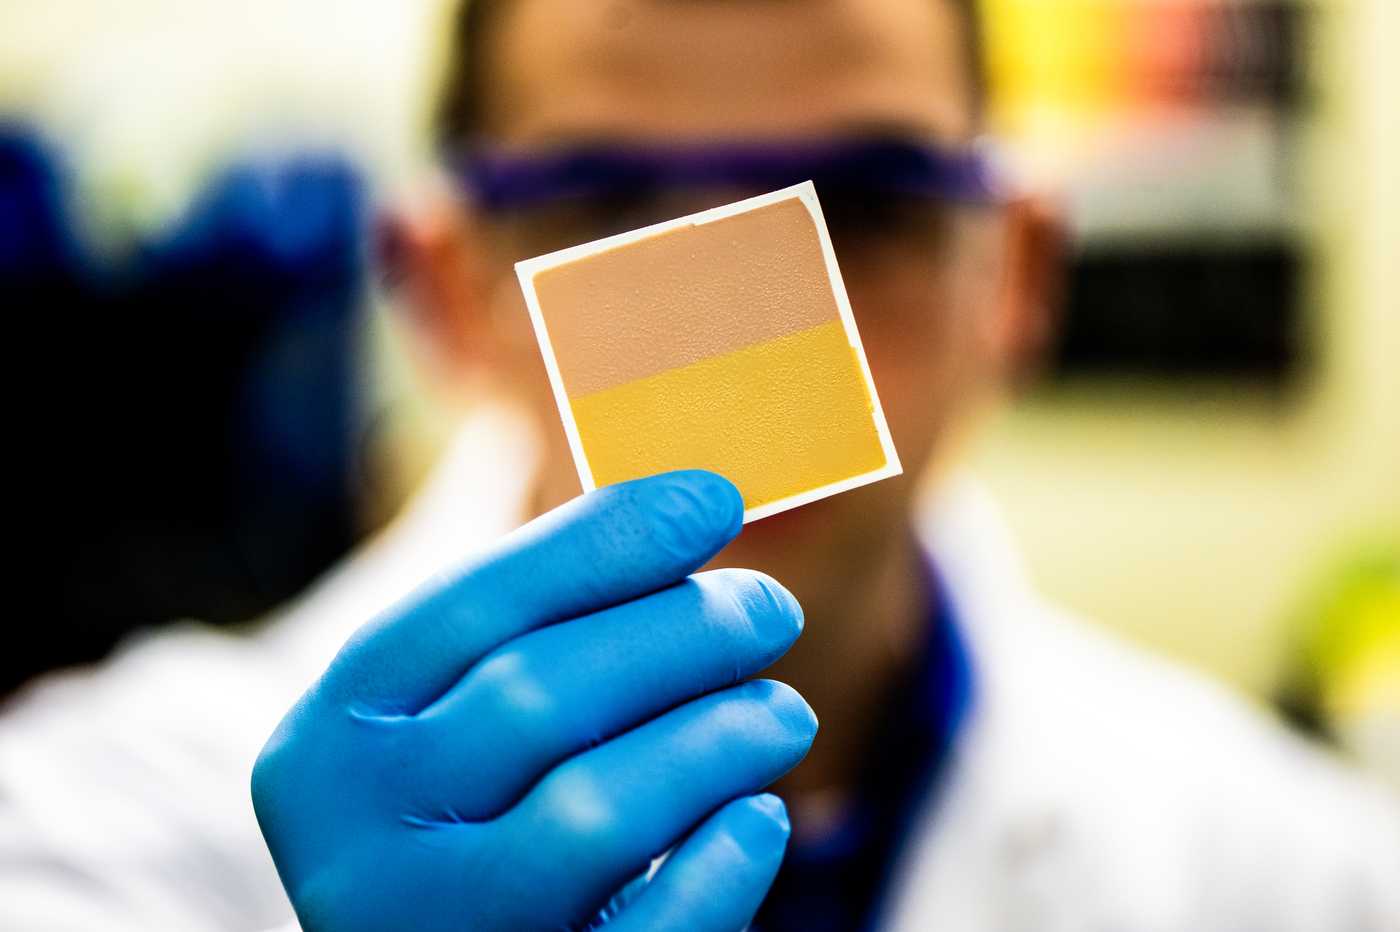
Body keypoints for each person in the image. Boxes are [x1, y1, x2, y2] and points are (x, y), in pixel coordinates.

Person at [2, 1, 1398, 930]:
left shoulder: (1300, 876)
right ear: (440, 293)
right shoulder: (94, 826)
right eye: (608, 200)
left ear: (1018, 277)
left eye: (861, 201)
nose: (742, 327)